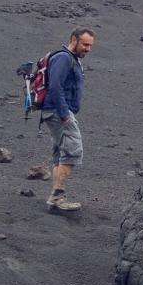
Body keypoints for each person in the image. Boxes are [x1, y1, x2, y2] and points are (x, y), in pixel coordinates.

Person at [42, 27, 94, 213]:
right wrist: (65, 115)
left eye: (90, 46)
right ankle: (57, 197)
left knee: (60, 153)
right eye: (85, 44)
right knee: (73, 151)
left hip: (56, 111)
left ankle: (55, 200)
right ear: (74, 39)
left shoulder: (71, 59)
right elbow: (55, 86)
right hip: (59, 112)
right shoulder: (64, 58)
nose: (88, 49)